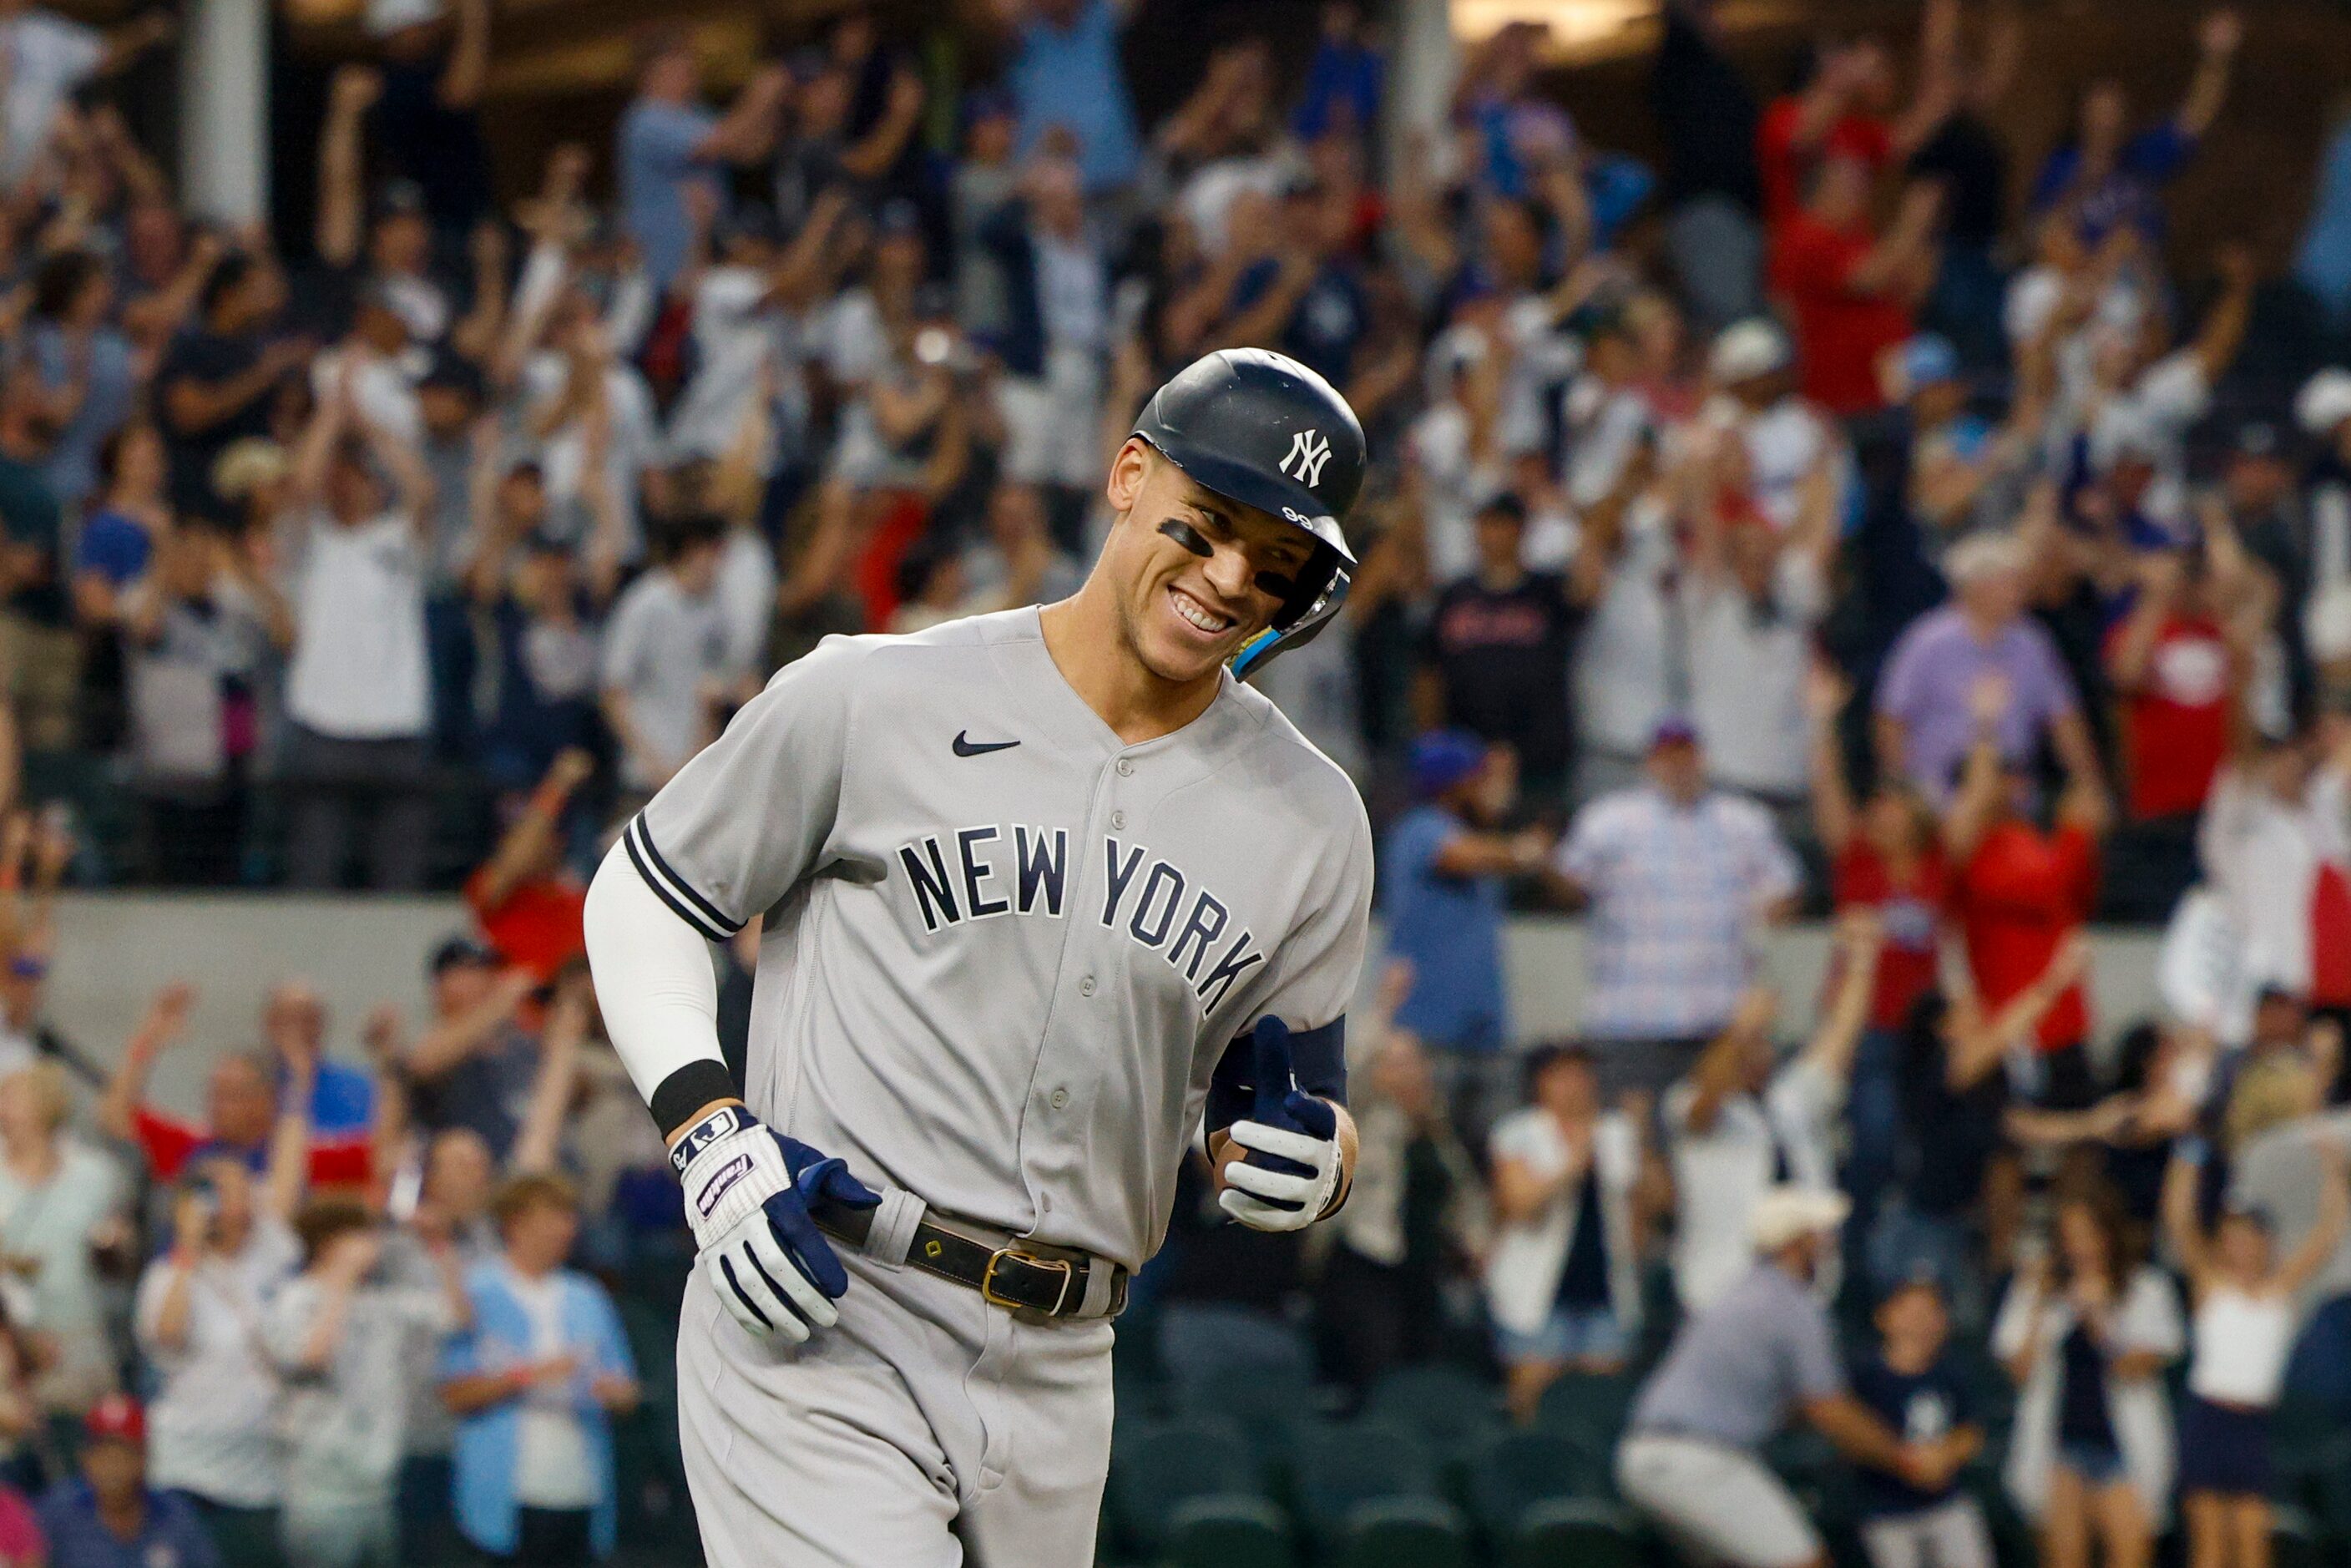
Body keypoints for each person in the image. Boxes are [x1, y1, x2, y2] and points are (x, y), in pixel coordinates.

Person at [581, 347, 1373, 1566]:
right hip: (827, 1300)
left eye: (1274, 565)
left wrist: (1317, 1161)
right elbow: (646, 889)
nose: (1226, 579)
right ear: (1127, 473)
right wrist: (707, 1134)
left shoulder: (1312, 823)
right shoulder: (877, 693)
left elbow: (1272, 1092)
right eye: (1207, 525)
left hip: (1065, 1361)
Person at [1617, 1186, 1940, 1568]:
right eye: (1815, 1235)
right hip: (1701, 1461)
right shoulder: (1792, 1304)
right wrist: (1906, 1460)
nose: (1825, 1244)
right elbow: (1829, 1410)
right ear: (1792, 1244)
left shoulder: (1739, 1291)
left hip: (1643, 1456)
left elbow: (1788, 1404)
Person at [1551, 717, 1802, 1099]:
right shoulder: (1608, 820)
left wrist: (1771, 915)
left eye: (1686, 754)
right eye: (1668, 755)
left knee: (1722, 1147)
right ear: (1651, 761)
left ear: (1702, 758)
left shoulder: (1742, 821)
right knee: (1634, 1143)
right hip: (1631, 1015)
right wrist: (1547, 867)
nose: (1678, 764)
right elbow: (1567, 883)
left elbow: (1784, 888)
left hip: (1719, 1017)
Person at [1661, 913, 1881, 1312]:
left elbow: (1840, 1039)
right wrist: (1740, 1030)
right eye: (1750, 1044)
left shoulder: (1790, 1098)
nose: (1759, 1050)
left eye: (1763, 1042)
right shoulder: (1687, 1100)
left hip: (1805, 1288)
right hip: (1721, 1289)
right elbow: (1704, 1103)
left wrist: (1862, 962)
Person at [2161, 1139, 2349, 1568]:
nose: (2241, 1248)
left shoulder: (2278, 1292)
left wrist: (2334, 1172)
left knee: (2252, 1548)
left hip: (2252, 1424)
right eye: (2232, 1239)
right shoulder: (2211, 1285)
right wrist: (2187, 1158)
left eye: (2249, 1238)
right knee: (2208, 1549)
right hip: (2209, 1419)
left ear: (2265, 1243)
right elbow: (2180, 1222)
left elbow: (2326, 1235)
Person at [437, 1175, 639, 1567]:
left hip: (581, 1489)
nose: (568, 1228)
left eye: (570, 1216)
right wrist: (527, 1376)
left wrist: (612, 1392)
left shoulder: (589, 1296)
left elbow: (626, 1389)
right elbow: (453, 1393)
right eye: (554, 1216)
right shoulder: (476, 1292)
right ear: (516, 1223)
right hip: (504, 1498)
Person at [265, 1196, 469, 1568]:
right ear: (329, 1243)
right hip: (319, 1493)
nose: (374, 1245)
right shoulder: (293, 1298)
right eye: (362, 1236)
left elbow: (458, 1316)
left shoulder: (383, 1301)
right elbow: (310, 1358)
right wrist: (340, 1277)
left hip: (379, 1489)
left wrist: (441, 1247)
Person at [134, 1141, 308, 1568]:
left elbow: (286, 1184)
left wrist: (298, 1091)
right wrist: (189, 1247)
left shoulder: (268, 1255)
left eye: (249, 1188)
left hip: (261, 1475)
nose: (251, 1199)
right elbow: (168, 1335)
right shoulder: (169, 1274)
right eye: (233, 1191)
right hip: (188, 1471)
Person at [1993, 1189, 2185, 1568]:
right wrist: (2036, 1298)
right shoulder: (2038, 1291)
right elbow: (2019, 1371)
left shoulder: (2147, 1288)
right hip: (2060, 1447)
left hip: (2123, 1449)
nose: (2080, 1247)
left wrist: (2099, 1318)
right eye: (2070, 1237)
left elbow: (2137, 1365)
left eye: (2089, 1235)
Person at [1380, 731, 1550, 1141]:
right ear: (1456, 784)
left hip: (1484, 1034)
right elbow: (1459, 855)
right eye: (1479, 777)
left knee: (1491, 1161)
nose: (1487, 787)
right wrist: (1526, 850)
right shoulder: (1420, 828)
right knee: (1427, 1163)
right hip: (1426, 1035)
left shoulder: (1471, 833)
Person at [1874, 530, 2103, 807]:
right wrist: (1901, 792)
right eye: (2010, 582)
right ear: (1977, 586)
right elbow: (1892, 717)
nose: (2020, 591)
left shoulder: (2032, 641)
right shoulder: (1927, 640)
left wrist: (2090, 784)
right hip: (1939, 796)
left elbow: (2063, 718)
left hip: (2013, 794)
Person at [1485, 1044, 1646, 1424]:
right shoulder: (1518, 1132)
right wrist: (1573, 1162)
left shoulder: (1617, 1131)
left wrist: (1643, 1140)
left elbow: (1643, 1208)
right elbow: (1520, 1204)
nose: (1577, 1086)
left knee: (1599, 1406)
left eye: (1583, 1075)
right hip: (1537, 1295)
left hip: (1605, 1290)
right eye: (1565, 1076)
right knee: (1532, 1403)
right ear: (1544, 1082)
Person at [0, 1062, 128, 1420]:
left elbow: (118, 1261)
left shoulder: (94, 1175)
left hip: (80, 1343)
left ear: (45, 1105)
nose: (2, 1108)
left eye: (12, 1097)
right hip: (10, 1358)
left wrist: (116, 1243)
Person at [1848, 1276, 1994, 1568]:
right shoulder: (1865, 1377)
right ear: (1884, 1317)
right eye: (1912, 1314)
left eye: (1932, 1313)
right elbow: (1851, 1434)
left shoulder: (1952, 1371)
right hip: (1886, 1511)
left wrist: (1945, 1455)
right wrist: (1904, 1461)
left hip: (1945, 1503)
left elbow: (1972, 1430)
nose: (1922, 1323)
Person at [38, 1396, 215, 1568]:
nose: (113, 1466)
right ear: (85, 1458)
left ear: (144, 1458)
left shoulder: (175, 1514)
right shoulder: (58, 1512)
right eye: (103, 1454)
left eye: (125, 1454)